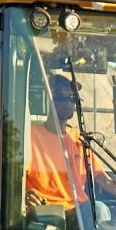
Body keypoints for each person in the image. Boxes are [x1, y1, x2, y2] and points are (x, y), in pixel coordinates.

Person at [24, 71, 90, 210]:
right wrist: (24, 193)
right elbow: (14, 179)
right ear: (46, 100)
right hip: (52, 211)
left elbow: (104, 180)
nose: (67, 102)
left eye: (72, 97)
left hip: (82, 210)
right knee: (99, 211)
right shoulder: (30, 136)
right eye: (59, 97)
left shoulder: (79, 138)